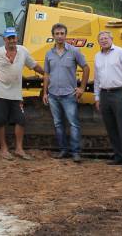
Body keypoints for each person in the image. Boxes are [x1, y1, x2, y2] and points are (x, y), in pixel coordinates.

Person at [0, 27, 45, 160]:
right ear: (4, 39)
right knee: (0, 120)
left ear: (17, 38)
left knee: (21, 120)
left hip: (15, 93)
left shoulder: (23, 51)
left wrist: (46, 73)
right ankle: (4, 149)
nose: (12, 40)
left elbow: (34, 65)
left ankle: (19, 149)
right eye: (9, 38)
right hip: (0, 91)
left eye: (13, 37)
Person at [43, 23, 89, 162]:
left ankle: (75, 152)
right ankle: (63, 150)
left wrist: (82, 88)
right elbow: (46, 74)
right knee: (58, 124)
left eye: (62, 33)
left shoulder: (74, 51)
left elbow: (86, 68)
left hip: (69, 95)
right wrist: (45, 92)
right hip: (53, 95)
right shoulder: (49, 54)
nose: (59, 36)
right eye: (57, 34)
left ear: (66, 35)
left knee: (73, 123)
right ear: (53, 36)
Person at [93, 31, 122, 169]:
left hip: (119, 92)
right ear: (98, 42)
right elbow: (97, 78)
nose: (104, 40)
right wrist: (97, 96)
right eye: (101, 39)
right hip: (104, 94)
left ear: (111, 39)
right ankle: (118, 156)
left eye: (106, 38)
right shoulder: (97, 56)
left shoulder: (121, 52)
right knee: (110, 127)